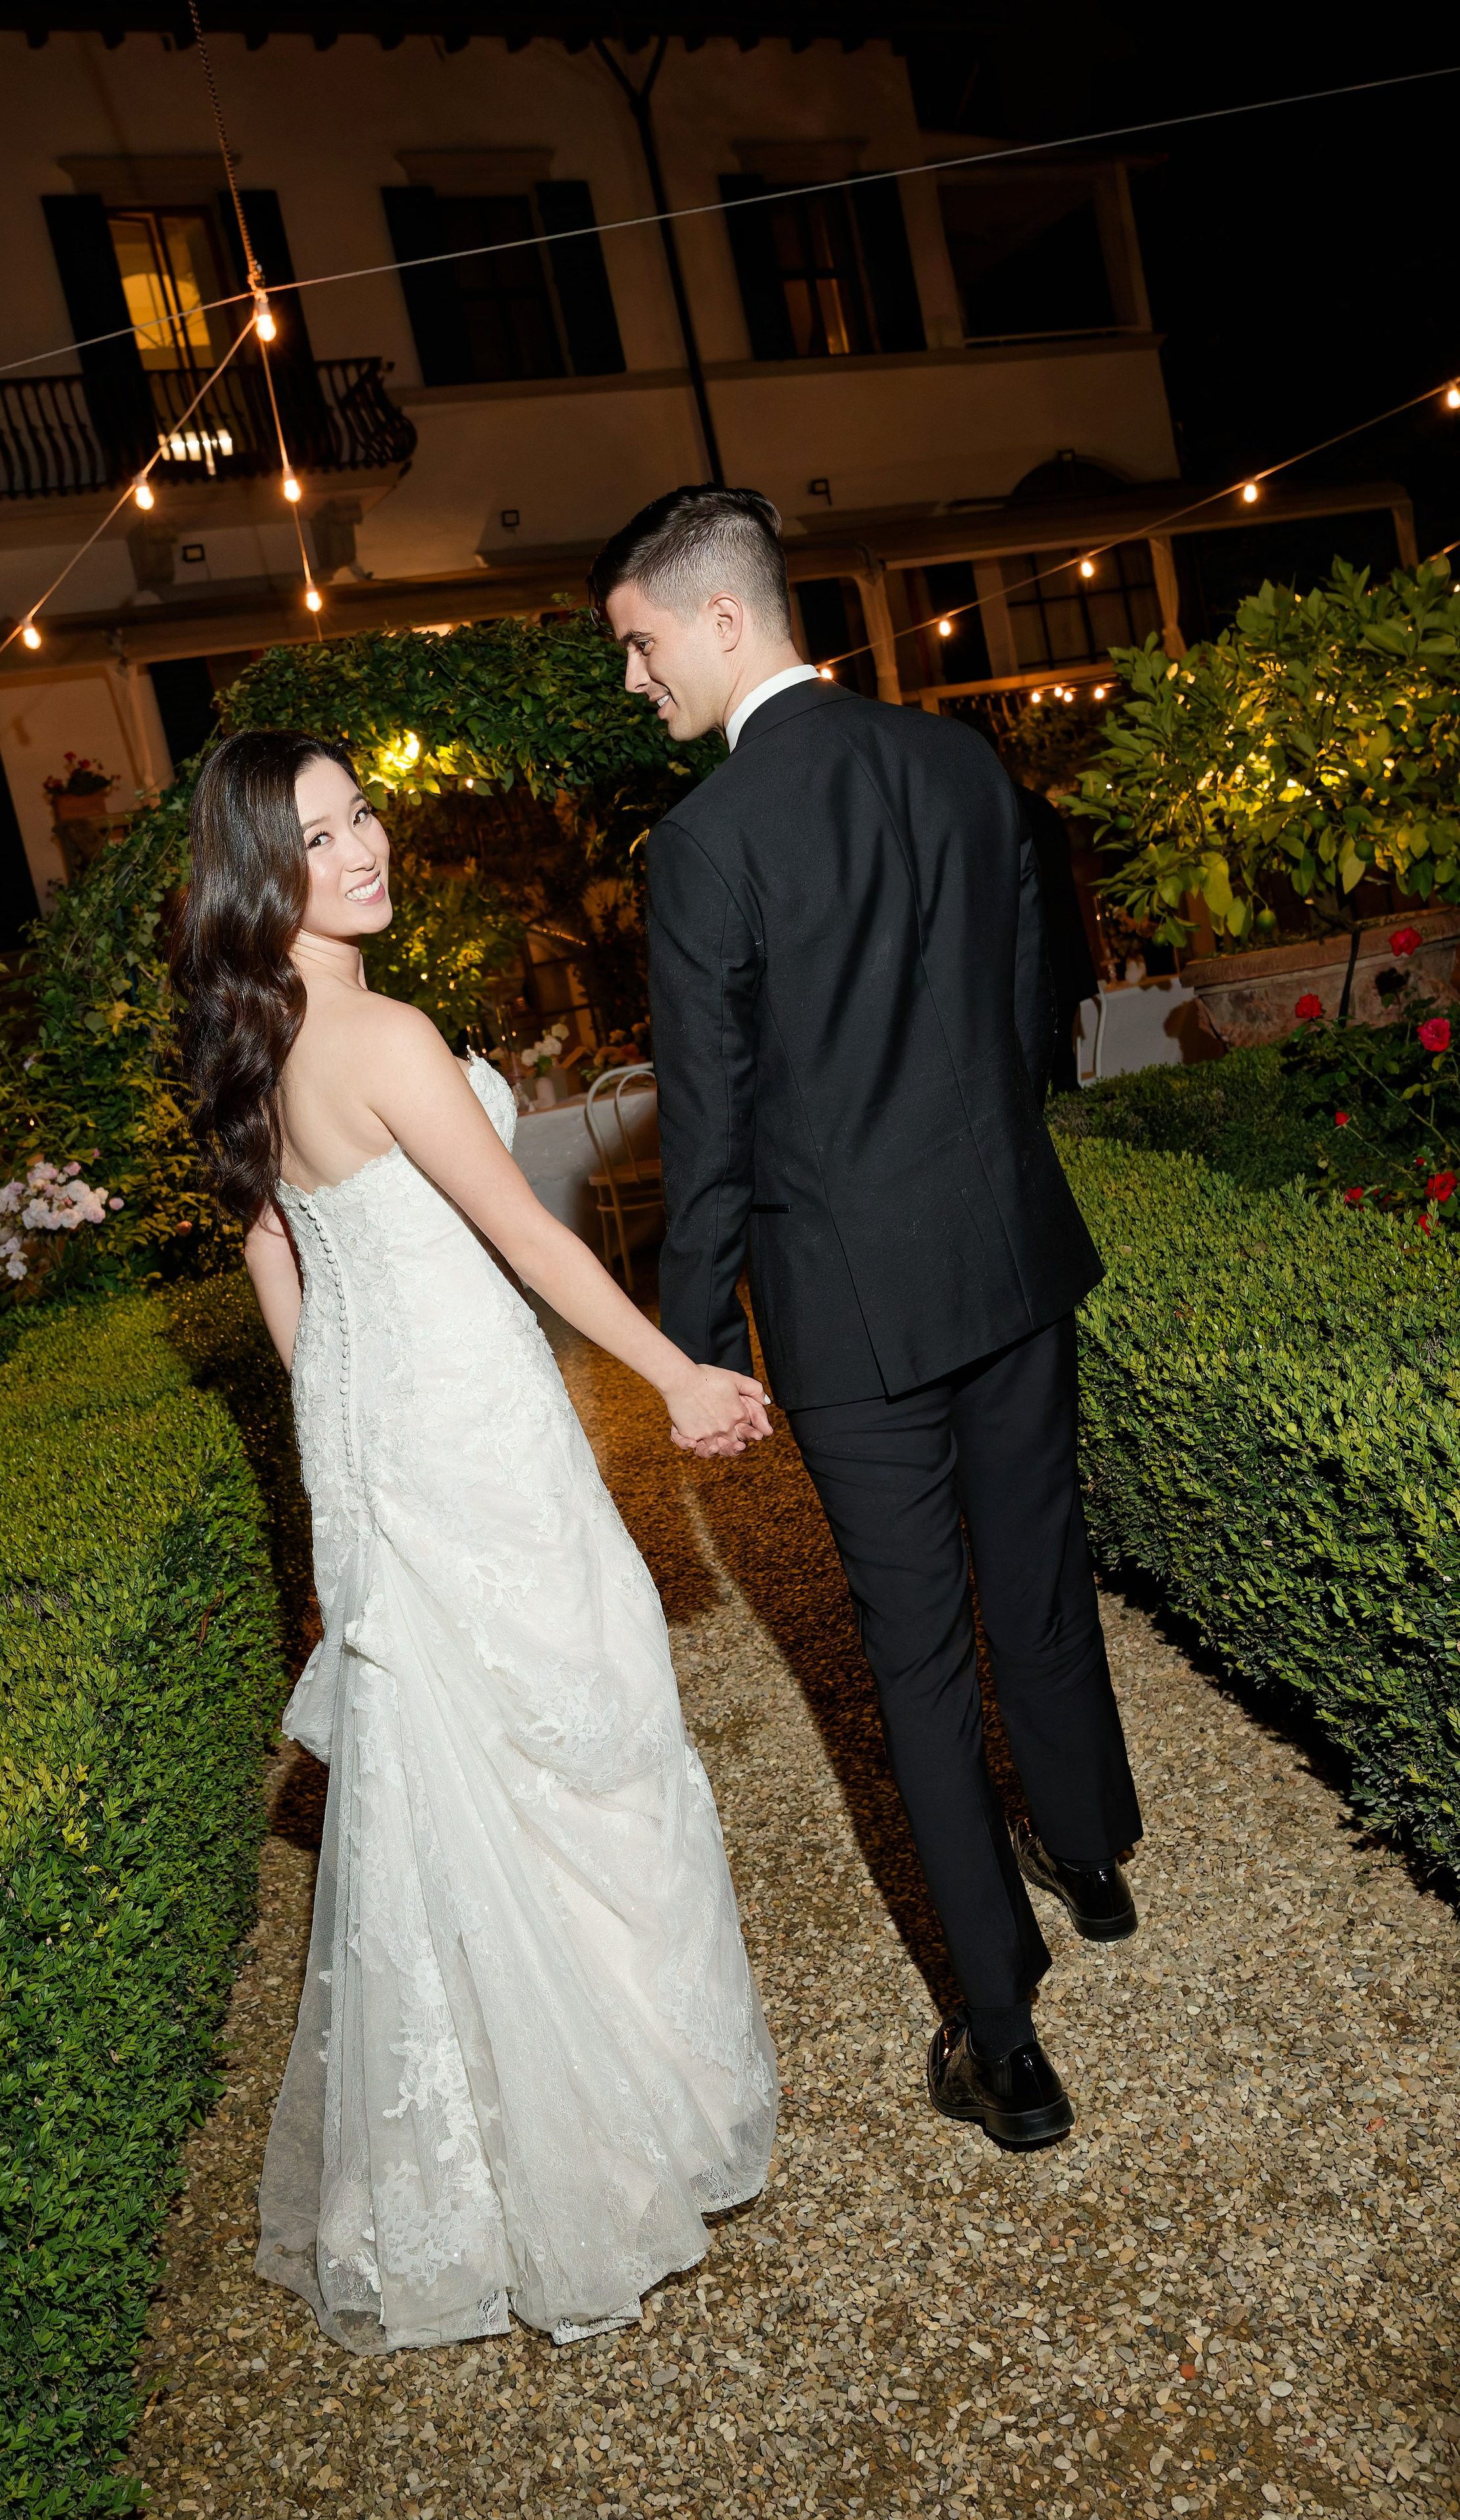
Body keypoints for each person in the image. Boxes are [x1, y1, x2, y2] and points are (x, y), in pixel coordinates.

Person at [174, 730, 777, 2356]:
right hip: (476, 1430)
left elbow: (280, 1271)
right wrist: (675, 1377)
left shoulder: (254, 1044)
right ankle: (620, 2127)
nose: (363, 847)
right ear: (261, 873)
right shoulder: (380, 1035)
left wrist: (348, 1426)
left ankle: (489, 2150)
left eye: (361, 814)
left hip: (384, 1437)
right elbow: (525, 1240)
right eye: (318, 835)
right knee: (580, 1735)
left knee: (462, 1770)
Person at [589, 485, 1143, 2152]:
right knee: (1035, 1573)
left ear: (722, 618)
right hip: (1009, 1253)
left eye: (639, 644)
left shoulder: (703, 846)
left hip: (851, 1307)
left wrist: (698, 1347)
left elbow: (709, 1124)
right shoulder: (961, 763)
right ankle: (1090, 1859)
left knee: (913, 1658)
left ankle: (1005, 2044)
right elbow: (1031, 1002)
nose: (633, 679)